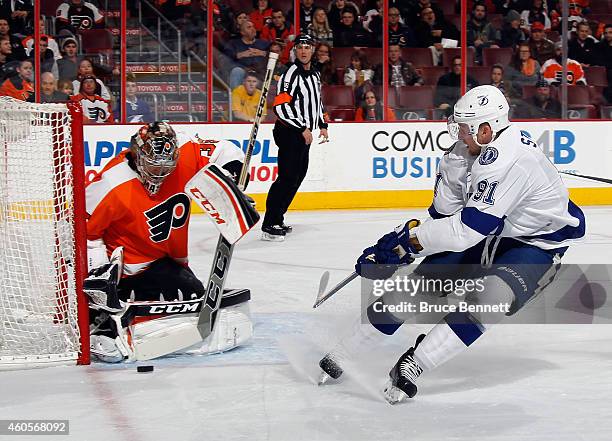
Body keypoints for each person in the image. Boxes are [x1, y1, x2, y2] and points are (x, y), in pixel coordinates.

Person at [317, 85, 585, 403]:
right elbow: (445, 217)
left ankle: (415, 364)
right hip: (490, 231)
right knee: (414, 289)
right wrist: (401, 246)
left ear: (486, 130)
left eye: (464, 127)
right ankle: (344, 353)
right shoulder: (464, 152)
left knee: (490, 300)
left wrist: (410, 241)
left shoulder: (510, 161)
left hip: (535, 242)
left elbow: (466, 231)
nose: (457, 133)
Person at [84, 122, 253, 362]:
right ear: (138, 155)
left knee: (194, 301)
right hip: (129, 273)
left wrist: (230, 182)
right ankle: (105, 323)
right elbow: (83, 235)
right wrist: (100, 280)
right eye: (153, 167)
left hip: (168, 263)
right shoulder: (111, 183)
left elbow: (227, 152)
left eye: (167, 167)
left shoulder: (187, 151)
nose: (160, 174)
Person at [263, 34, 328, 241]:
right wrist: (302, 128)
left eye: (307, 47)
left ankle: (278, 217)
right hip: (289, 132)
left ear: (312, 50)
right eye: (299, 47)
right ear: (295, 50)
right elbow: (281, 106)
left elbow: (316, 102)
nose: (303, 50)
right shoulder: (289, 73)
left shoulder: (315, 74)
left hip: (303, 134)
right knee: (286, 178)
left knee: (297, 177)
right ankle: (269, 224)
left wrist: (322, 125)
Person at [224, 20, 270, 89]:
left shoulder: (264, 44)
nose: (253, 29)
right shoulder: (233, 44)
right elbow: (225, 58)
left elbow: (277, 55)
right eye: (249, 27)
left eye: (253, 27)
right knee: (237, 71)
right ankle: (236, 98)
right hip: (243, 74)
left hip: (260, 75)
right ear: (242, 32)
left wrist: (263, 53)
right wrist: (238, 55)